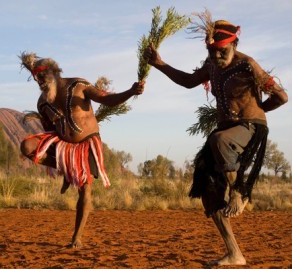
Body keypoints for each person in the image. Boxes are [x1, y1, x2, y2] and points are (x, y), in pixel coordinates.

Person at [143, 10, 288, 266]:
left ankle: (240, 192)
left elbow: (282, 97)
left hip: (250, 128)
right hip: (225, 133)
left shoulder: (248, 64)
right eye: (212, 52)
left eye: (222, 51)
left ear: (234, 44)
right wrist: (159, 64)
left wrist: (257, 110)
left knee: (218, 141)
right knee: (209, 193)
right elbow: (188, 81)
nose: (217, 56)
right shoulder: (211, 66)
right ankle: (235, 253)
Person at [19, 52, 144, 248]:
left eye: (42, 77)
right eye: (37, 79)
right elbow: (49, 130)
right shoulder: (42, 103)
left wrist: (130, 91)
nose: (40, 82)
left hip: (87, 143)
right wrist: (59, 157)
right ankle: (65, 169)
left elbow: (107, 100)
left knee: (85, 189)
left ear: (54, 72)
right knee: (27, 146)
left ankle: (77, 237)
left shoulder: (78, 86)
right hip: (63, 146)